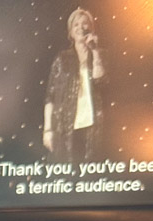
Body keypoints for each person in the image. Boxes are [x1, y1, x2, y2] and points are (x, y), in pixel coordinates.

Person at [44, 7, 105, 164]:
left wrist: (95, 52)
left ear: (91, 28)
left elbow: (102, 81)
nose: (80, 28)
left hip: (93, 124)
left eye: (84, 24)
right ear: (70, 32)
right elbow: (50, 97)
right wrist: (47, 129)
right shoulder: (62, 58)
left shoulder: (99, 55)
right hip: (66, 126)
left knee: (92, 171)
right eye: (76, 25)